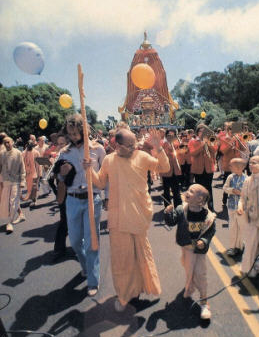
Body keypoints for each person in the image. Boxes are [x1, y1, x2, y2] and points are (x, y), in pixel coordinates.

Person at [90, 128, 170, 312]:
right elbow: (100, 183)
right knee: (122, 259)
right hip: (118, 218)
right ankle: (125, 296)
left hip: (139, 214)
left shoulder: (141, 156)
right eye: (130, 145)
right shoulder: (109, 160)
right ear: (117, 145)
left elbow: (164, 168)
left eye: (135, 144)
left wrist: (159, 147)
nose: (134, 147)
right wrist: (89, 170)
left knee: (141, 255)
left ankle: (145, 288)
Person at [58, 114, 106, 297]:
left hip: (92, 198)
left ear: (83, 131)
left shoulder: (98, 150)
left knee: (92, 241)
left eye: (76, 133)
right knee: (76, 241)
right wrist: (62, 174)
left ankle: (93, 280)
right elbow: (61, 179)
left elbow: (105, 177)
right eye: (70, 133)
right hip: (72, 199)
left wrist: (107, 196)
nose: (73, 136)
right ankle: (85, 265)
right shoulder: (64, 152)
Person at [164, 184, 216, 320]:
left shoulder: (207, 216)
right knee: (189, 271)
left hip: (199, 252)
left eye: (191, 191)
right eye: (188, 190)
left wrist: (204, 241)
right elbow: (171, 221)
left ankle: (204, 301)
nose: (187, 192)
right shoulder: (181, 210)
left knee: (201, 273)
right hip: (187, 249)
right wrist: (168, 212)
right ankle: (189, 288)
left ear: (200, 200)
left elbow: (211, 231)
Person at [188, 125, 217, 210]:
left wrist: (208, 142)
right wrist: (202, 145)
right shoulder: (192, 142)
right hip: (198, 170)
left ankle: (211, 208)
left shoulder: (210, 140)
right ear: (197, 132)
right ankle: (200, 208)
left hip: (208, 169)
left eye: (204, 131)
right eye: (201, 131)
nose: (202, 133)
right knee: (200, 190)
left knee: (209, 188)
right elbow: (193, 153)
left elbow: (214, 150)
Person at [0, 137, 26, 233]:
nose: (6, 144)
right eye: (4, 143)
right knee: (7, 202)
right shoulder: (1, 154)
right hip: (6, 180)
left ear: (12, 142)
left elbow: (22, 168)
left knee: (13, 201)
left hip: (16, 180)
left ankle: (9, 223)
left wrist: (23, 181)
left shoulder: (18, 153)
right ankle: (20, 215)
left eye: (8, 142)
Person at [223, 158, 247, 256]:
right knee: (232, 227)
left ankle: (239, 246)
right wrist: (232, 190)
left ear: (239, 167)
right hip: (232, 206)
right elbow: (225, 188)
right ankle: (232, 247)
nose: (230, 167)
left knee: (241, 227)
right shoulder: (230, 177)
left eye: (231, 165)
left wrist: (242, 194)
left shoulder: (246, 178)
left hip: (242, 208)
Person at [161, 129, 182, 208]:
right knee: (166, 191)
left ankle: (178, 208)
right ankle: (168, 209)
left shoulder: (175, 143)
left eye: (173, 136)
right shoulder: (164, 144)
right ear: (166, 136)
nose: (171, 137)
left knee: (176, 191)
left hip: (175, 171)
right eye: (169, 135)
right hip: (166, 171)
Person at [22, 141, 40, 207]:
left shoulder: (36, 152)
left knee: (34, 186)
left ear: (32, 145)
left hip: (34, 172)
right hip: (27, 173)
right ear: (26, 145)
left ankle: (34, 200)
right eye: (28, 144)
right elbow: (21, 164)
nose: (29, 145)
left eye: (31, 144)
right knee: (29, 187)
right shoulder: (23, 153)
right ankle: (31, 198)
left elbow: (38, 164)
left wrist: (39, 173)